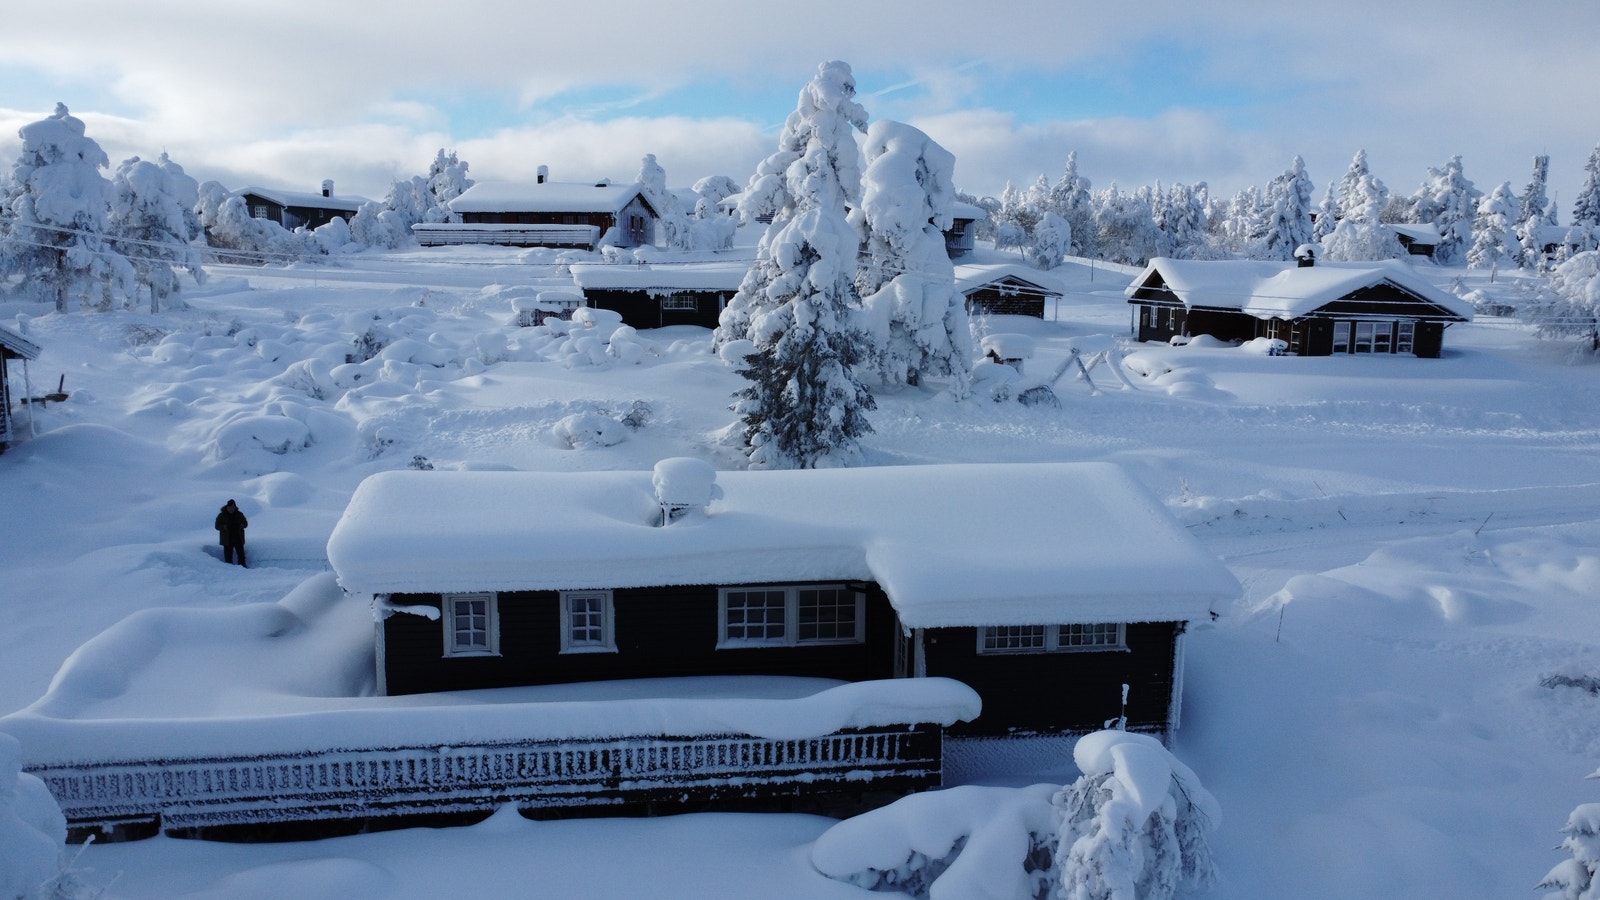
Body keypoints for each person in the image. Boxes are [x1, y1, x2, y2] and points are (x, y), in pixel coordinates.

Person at [215, 499, 248, 567]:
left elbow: (245, 523)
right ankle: (229, 570)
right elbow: (217, 526)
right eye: (230, 507)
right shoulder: (222, 515)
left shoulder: (239, 514)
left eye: (233, 507)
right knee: (228, 556)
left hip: (238, 538)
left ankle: (243, 568)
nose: (231, 509)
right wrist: (225, 527)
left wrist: (241, 525)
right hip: (227, 539)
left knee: (241, 555)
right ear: (227, 507)